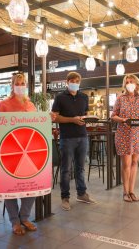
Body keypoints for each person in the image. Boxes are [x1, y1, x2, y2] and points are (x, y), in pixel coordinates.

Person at [0, 73, 38, 236]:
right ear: (12, 85)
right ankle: (15, 221)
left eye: (23, 83)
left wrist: (47, 119)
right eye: (18, 83)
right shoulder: (4, 105)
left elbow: (37, 125)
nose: (20, 86)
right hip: (10, 151)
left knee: (31, 185)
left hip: (28, 150)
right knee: (10, 188)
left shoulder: (31, 105)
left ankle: (25, 217)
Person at [52, 72, 96, 211]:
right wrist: (72, 120)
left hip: (83, 136)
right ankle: (65, 197)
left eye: (77, 80)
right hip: (67, 138)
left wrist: (87, 119)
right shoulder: (60, 97)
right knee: (66, 170)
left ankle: (81, 194)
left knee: (80, 168)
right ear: (67, 81)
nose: (74, 82)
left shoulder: (84, 97)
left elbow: (85, 114)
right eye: (72, 80)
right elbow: (55, 118)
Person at [111, 74, 139, 202]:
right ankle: (125, 192)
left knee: (134, 162)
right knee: (126, 164)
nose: (129, 84)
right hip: (124, 134)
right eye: (127, 82)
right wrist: (123, 120)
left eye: (131, 81)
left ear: (137, 84)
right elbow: (113, 115)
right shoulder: (120, 98)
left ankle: (132, 191)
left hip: (138, 134)